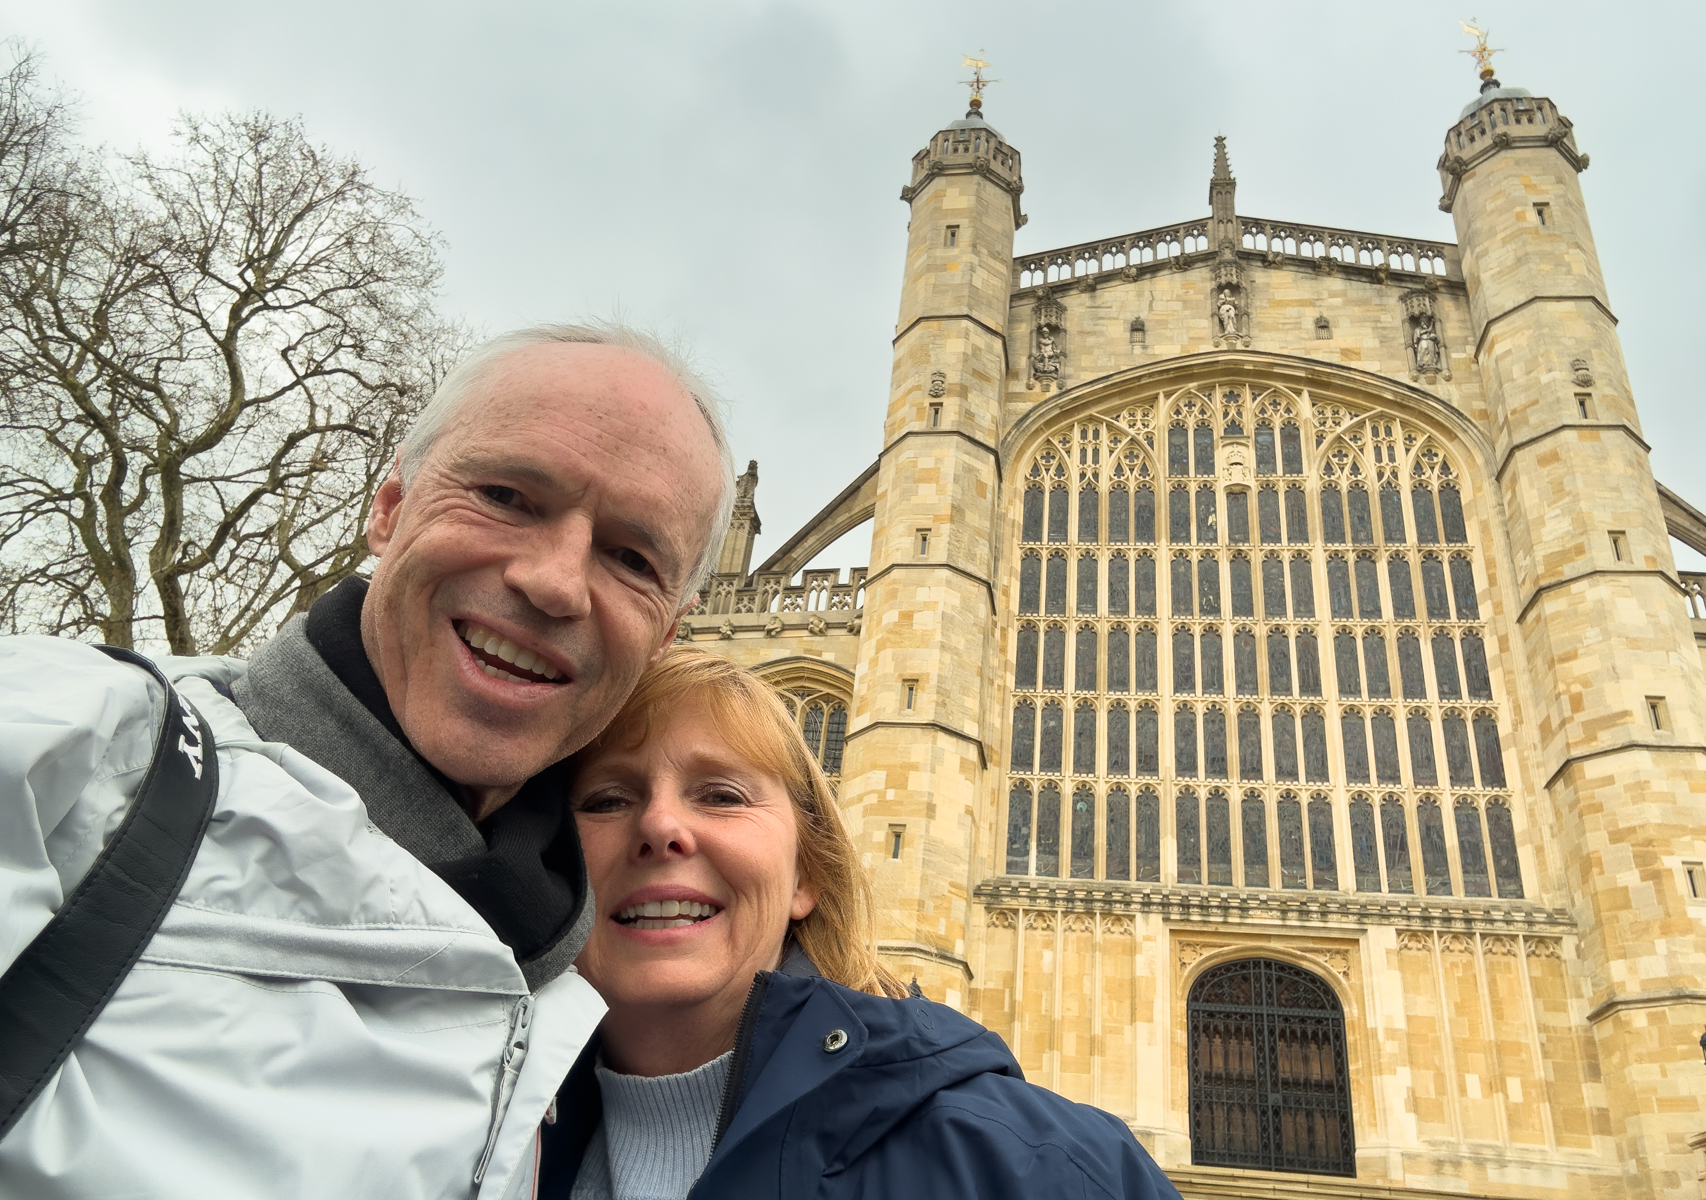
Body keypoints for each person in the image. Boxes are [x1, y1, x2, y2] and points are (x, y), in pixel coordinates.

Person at [0, 323, 735, 1199]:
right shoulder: (73, 745)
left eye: (631, 556)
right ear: (388, 506)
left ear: (668, 635)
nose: (556, 582)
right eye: (507, 496)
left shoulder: (581, 998)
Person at [540, 648, 1179, 1200]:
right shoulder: (473, 1145)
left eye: (722, 795)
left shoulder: (1037, 1168)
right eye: (607, 800)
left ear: (805, 877)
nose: (659, 828)